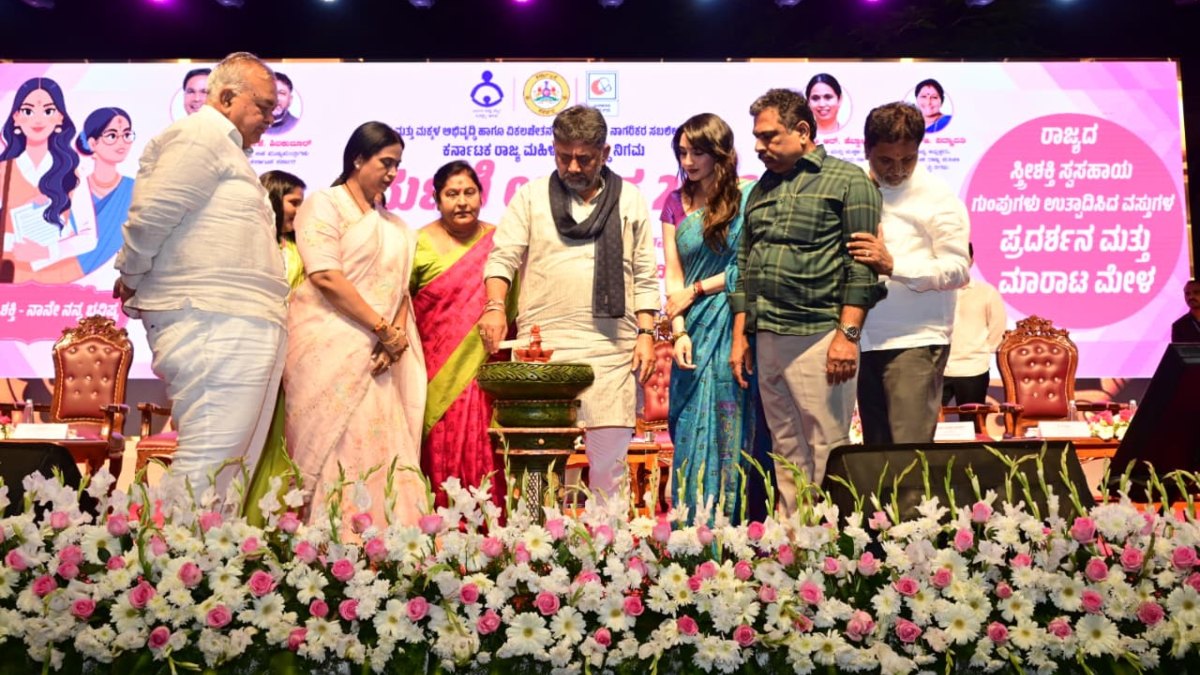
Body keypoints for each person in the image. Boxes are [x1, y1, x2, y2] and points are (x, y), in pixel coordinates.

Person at [114, 52, 287, 493]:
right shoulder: (198, 135)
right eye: (264, 107)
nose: (271, 118)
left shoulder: (227, 149)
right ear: (226, 97)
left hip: (236, 317)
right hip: (210, 318)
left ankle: (207, 540)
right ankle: (177, 540)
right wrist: (130, 275)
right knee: (211, 456)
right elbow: (152, 216)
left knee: (231, 467)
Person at [479, 105, 659, 505]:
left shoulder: (630, 199)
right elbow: (503, 257)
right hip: (543, 350)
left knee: (609, 468)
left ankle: (609, 542)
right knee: (538, 468)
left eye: (584, 158)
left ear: (605, 153)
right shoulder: (530, 196)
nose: (572, 167)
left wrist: (646, 333)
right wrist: (494, 306)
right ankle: (534, 542)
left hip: (610, 350)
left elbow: (645, 274)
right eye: (563, 156)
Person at [730, 88, 883, 514]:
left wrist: (847, 335)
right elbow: (744, 264)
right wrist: (741, 336)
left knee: (826, 444)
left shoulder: (849, 181)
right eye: (756, 137)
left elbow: (861, 268)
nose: (758, 147)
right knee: (784, 444)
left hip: (820, 336)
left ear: (802, 130)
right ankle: (792, 537)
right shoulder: (761, 188)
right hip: (768, 337)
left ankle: (830, 541)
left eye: (768, 136)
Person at [285, 121, 427, 528]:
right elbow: (325, 276)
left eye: (398, 165)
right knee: (333, 445)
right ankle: (329, 540)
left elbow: (400, 291)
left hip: (380, 355)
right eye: (386, 162)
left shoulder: (396, 227)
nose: (393, 173)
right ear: (358, 159)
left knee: (381, 443)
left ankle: (388, 540)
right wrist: (382, 329)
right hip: (328, 348)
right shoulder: (324, 205)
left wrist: (394, 338)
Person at [660, 112, 765, 521]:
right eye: (682, 152)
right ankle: (690, 531)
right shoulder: (674, 203)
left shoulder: (747, 196)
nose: (688, 161)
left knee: (730, 421)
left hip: (732, 321)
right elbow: (674, 275)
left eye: (697, 152)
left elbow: (748, 265)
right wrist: (679, 331)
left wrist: (699, 289)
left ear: (719, 153)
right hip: (692, 326)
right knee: (687, 423)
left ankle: (731, 529)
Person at [848, 102, 971, 445]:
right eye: (886, 160)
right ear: (866, 149)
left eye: (908, 159)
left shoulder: (937, 196)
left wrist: (894, 266)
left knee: (908, 456)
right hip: (861, 340)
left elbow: (958, 269)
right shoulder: (852, 188)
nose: (898, 170)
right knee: (875, 458)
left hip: (915, 340)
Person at [411, 161, 514, 509]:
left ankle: (491, 531)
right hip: (434, 373)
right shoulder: (417, 243)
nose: (462, 202)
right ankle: (438, 529)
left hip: (487, 372)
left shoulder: (499, 242)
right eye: (452, 194)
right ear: (436, 199)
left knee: (486, 449)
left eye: (469, 192)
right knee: (439, 448)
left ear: (481, 196)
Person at [244, 169, 306, 525]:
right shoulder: (251, 245)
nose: (300, 210)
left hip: (292, 356)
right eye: (294, 202)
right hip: (254, 352)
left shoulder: (301, 250)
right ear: (274, 198)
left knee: (283, 439)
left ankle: (275, 521)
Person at [0, 77, 96, 284]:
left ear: (60, 117)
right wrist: (16, 245)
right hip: (12, 275)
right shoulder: (3, 172)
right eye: (28, 111)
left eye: (48, 111)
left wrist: (48, 251)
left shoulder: (73, 172)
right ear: (16, 117)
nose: (38, 119)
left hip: (61, 277)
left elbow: (89, 237)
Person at [942, 243, 1008, 412]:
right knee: (928, 423)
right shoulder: (936, 292)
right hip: (938, 369)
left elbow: (997, 330)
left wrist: (980, 350)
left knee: (972, 422)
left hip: (973, 369)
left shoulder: (987, 292)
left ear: (971, 261)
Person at [75, 107, 136, 278]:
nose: (122, 142)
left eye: (127, 135)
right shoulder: (76, 189)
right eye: (112, 136)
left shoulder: (135, 189)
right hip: (68, 275)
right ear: (93, 143)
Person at [805, 73, 844, 137]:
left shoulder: (852, 135)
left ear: (840, 100)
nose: (822, 104)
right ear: (808, 102)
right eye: (815, 98)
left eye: (828, 97)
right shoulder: (800, 137)